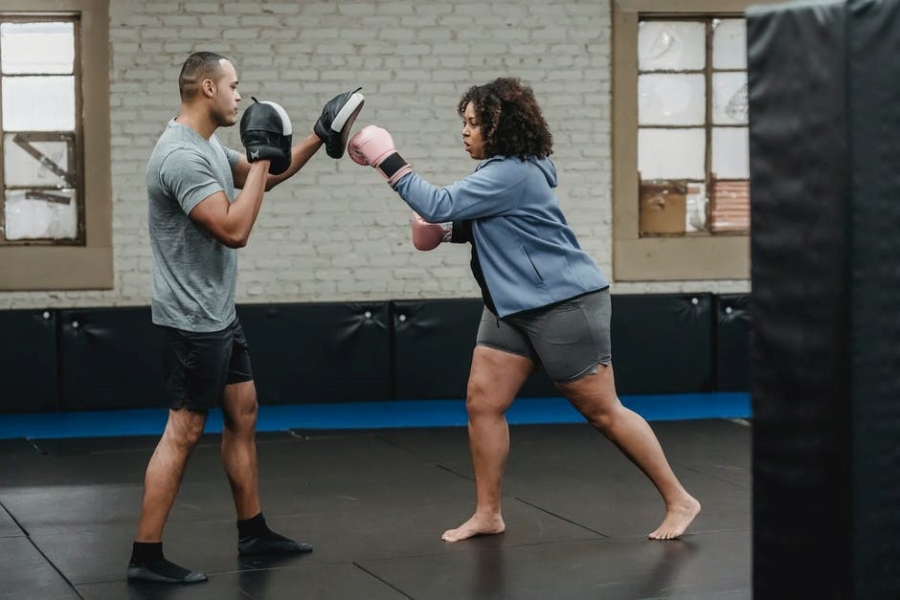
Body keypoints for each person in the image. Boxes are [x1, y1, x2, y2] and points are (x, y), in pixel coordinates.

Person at [347, 77, 701, 543]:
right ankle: (487, 513)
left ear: (501, 127)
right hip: (509, 306)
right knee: (483, 403)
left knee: (603, 411)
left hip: (562, 304)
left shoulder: (511, 172)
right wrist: (449, 233)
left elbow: (436, 202)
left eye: (474, 123)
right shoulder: (501, 174)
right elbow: (497, 226)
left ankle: (680, 499)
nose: (465, 131)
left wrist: (386, 158)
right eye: (464, 122)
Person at [127, 51, 364, 584]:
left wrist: (317, 134)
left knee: (244, 411)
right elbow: (234, 229)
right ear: (208, 88)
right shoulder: (180, 157)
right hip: (191, 320)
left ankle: (253, 531)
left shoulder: (207, 145)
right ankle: (145, 555)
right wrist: (259, 161)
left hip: (217, 313)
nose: (240, 94)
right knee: (184, 430)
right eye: (233, 85)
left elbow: (267, 176)